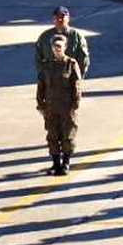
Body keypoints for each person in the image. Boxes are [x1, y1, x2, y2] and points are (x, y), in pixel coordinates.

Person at [36, 32, 83, 175]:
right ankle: (56, 163)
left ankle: (66, 163)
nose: (57, 49)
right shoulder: (46, 66)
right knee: (52, 136)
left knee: (67, 136)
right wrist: (41, 105)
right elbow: (41, 87)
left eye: (59, 46)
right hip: (51, 107)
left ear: (65, 47)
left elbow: (77, 85)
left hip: (66, 107)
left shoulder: (71, 64)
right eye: (55, 46)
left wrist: (75, 104)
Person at [35, 5, 90, 79]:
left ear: (68, 19)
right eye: (57, 17)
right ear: (53, 19)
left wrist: (77, 77)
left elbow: (83, 59)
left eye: (62, 17)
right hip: (50, 80)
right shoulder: (45, 37)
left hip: (69, 80)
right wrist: (43, 76)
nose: (59, 19)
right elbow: (38, 58)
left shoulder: (76, 36)